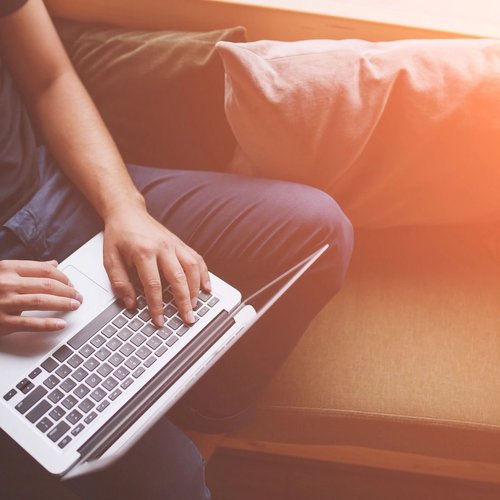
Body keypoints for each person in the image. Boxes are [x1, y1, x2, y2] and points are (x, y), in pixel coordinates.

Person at [0, 0, 353, 498]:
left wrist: (125, 207)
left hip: (50, 190)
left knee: (316, 232)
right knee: (169, 479)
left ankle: (198, 431)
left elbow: (48, 78)